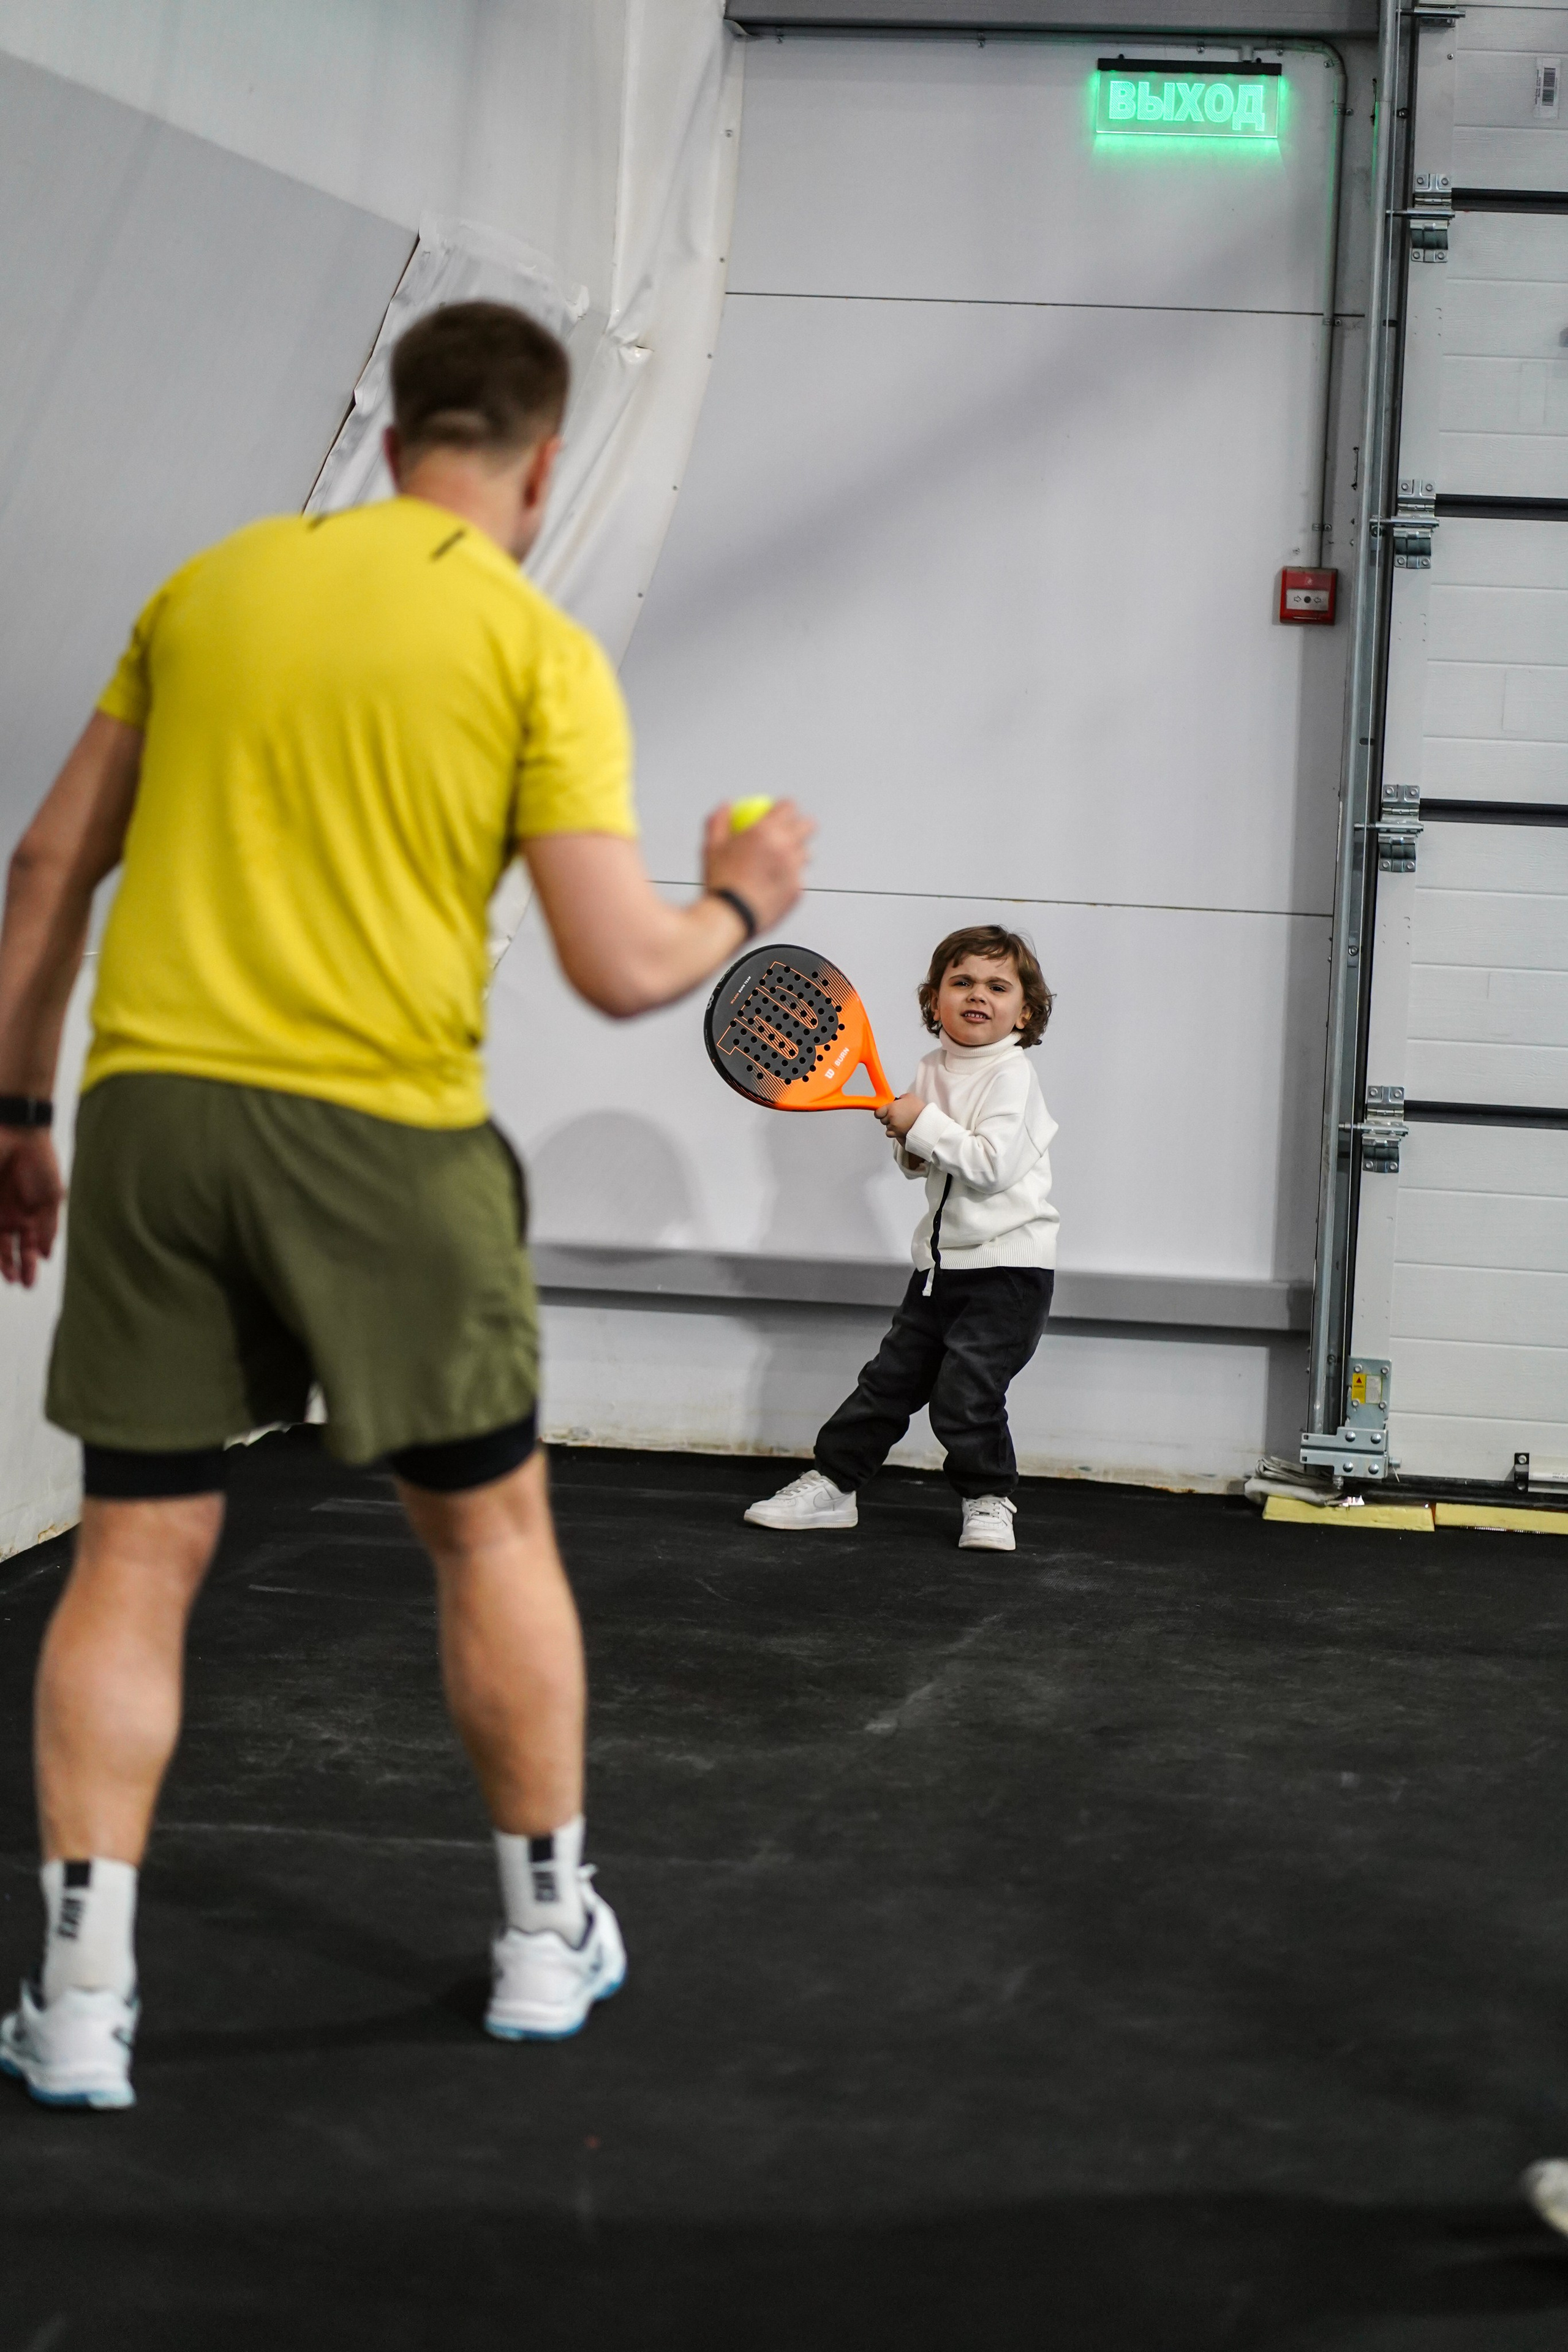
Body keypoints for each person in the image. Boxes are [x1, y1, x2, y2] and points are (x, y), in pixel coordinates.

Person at [0, 298, 812, 2110]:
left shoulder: (206, 591)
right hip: (383, 1133)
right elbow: (617, 968)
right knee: (489, 1534)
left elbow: (50, 857)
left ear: (384, 437)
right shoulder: (527, 641)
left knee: (135, 1555)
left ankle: (77, 2002)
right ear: (540, 463)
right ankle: (544, 1936)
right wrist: (742, 895)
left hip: (152, 1115)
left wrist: (13, 1107)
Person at [745, 926, 1055, 1553]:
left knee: (966, 1395)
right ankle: (834, 1486)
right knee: (885, 1384)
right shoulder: (930, 1069)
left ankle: (988, 1498)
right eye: (961, 982)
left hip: (1007, 1273)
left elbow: (991, 1166)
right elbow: (928, 1164)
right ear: (933, 1000)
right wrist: (909, 1139)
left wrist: (923, 1124)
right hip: (939, 1271)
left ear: (1024, 1012)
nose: (977, 995)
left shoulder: (1012, 1075)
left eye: (998, 987)